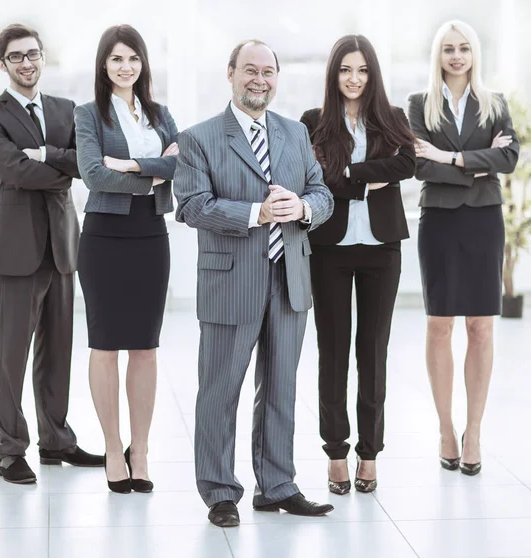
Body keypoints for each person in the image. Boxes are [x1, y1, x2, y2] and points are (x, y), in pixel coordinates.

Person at [174, 39, 335, 528]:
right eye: (250, 69)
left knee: (282, 388)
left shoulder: (295, 133)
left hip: (289, 280)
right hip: (230, 284)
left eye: (268, 71)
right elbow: (191, 206)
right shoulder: (199, 138)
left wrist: (303, 208)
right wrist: (255, 213)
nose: (259, 79)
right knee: (220, 390)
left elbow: (321, 192)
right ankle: (220, 491)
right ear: (230, 73)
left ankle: (277, 486)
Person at [0, 24, 103, 484]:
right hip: (18, 249)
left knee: (58, 350)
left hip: (63, 246)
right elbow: (15, 170)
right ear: (3, 64)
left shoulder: (65, 109)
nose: (26, 63)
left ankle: (56, 440)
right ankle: (9, 448)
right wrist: (61, 165)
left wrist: (51, 157)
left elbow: (88, 164)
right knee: (12, 353)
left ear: (43, 57)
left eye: (33, 55)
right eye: (16, 57)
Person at [300, 35, 415, 495]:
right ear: (334, 74)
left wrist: (353, 174)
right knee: (333, 352)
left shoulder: (393, 119)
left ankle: (369, 452)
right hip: (330, 247)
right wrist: (368, 180)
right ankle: (335, 451)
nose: (354, 79)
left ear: (373, 74)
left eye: (362, 70)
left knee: (373, 351)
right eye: (346, 70)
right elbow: (318, 177)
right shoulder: (313, 122)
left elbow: (407, 164)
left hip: (382, 249)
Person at [408, 20, 519, 475]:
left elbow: (509, 159)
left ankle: (474, 431)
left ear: (475, 54)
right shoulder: (419, 104)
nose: (456, 56)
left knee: (481, 327)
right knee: (439, 324)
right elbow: (418, 165)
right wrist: (476, 163)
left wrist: (449, 157)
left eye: (464, 48)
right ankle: (445, 428)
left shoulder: (494, 105)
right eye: (449, 49)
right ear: (438, 55)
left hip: (482, 220)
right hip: (438, 220)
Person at [74, 24, 179, 494]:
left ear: (143, 63)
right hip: (104, 237)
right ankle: (112, 448)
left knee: (145, 345)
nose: (126, 66)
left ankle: (141, 448)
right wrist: (151, 178)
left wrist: (133, 165)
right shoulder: (88, 115)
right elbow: (94, 175)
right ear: (103, 65)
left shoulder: (160, 114)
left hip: (150, 235)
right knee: (105, 344)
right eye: (116, 58)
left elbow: (183, 164)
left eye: (133, 57)